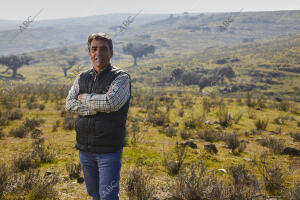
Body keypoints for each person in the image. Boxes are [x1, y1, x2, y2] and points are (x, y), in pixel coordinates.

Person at [65, 32, 131, 200]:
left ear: (111, 52)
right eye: (94, 49)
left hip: (109, 149)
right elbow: (70, 104)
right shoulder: (81, 77)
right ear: (89, 53)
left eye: (103, 49)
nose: (98, 53)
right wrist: (98, 106)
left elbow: (111, 103)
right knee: (94, 193)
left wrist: (84, 98)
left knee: (108, 195)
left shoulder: (121, 78)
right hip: (85, 148)